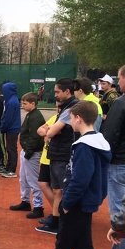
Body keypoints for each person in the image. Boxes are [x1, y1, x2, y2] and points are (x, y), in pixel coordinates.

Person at [40, 101, 110, 249]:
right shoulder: (99, 141)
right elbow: (100, 177)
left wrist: (67, 203)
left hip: (77, 203)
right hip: (87, 202)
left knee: (64, 241)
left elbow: (80, 179)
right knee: (82, 246)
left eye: (71, 117)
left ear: (78, 118)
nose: (69, 121)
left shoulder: (84, 147)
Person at [96, 62, 125, 249]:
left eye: (119, 78)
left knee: (121, 211)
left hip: (122, 164)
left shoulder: (121, 103)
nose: (118, 82)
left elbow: (110, 137)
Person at [36, 78, 79, 235]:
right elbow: (49, 130)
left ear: (67, 91)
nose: (55, 95)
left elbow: (52, 131)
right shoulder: (65, 107)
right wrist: (50, 130)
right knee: (56, 189)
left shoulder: (71, 108)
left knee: (60, 190)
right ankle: (56, 219)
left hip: (63, 154)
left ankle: (61, 222)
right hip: (57, 153)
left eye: (57, 92)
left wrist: (49, 131)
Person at [9, 93, 45, 218]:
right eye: (22, 103)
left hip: (32, 153)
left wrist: (28, 152)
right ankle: (25, 201)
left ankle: (38, 206)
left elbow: (35, 137)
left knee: (32, 180)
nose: (22, 105)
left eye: (25, 103)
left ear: (33, 104)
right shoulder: (31, 115)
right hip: (27, 151)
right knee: (23, 178)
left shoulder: (35, 117)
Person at [0, 82, 21, 178]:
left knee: (11, 149)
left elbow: (8, 118)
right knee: (10, 148)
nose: (3, 92)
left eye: (4, 90)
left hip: (12, 129)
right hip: (12, 128)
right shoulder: (12, 99)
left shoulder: (11, 102)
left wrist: (3, 128)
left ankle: (11, 170)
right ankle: (8, 167)